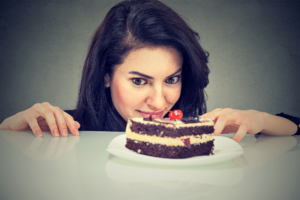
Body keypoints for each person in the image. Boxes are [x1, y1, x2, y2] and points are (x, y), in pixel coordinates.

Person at [0, 0, 299, 143]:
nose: (159, 102)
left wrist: (258, 119)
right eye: (139, 81)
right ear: (106, 74)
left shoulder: (193, 134)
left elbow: (297, 126)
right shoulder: (65, 129)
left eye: (172, 79)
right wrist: (8, 130)